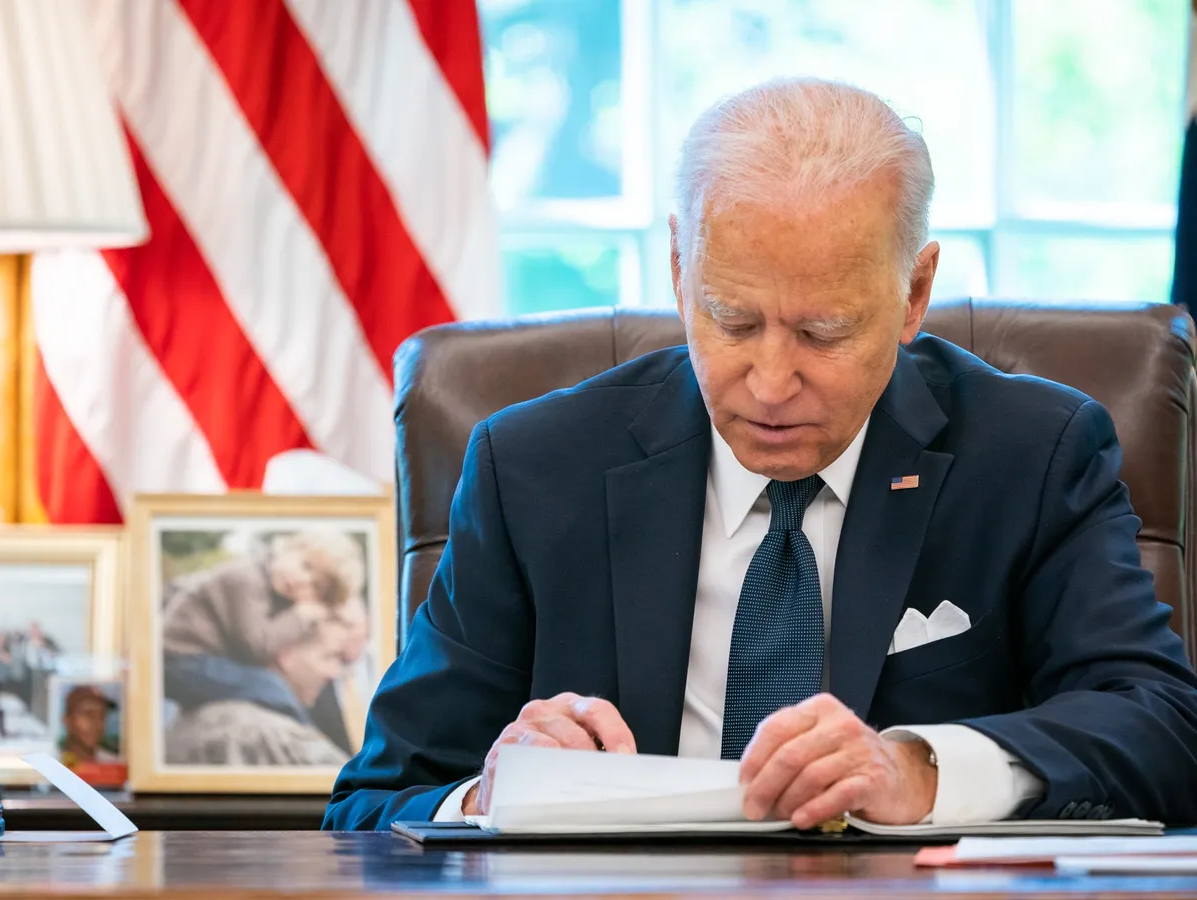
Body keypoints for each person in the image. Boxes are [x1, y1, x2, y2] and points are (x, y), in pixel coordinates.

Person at [324, 78, 1197, 831]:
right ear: (678, 268)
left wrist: (922, 771)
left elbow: (1161, 727)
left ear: (914, 295)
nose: (771, 382)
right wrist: (490, 795)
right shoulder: (533, 469)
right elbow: (373, 801)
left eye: (825, 333)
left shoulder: (1032, 456)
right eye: (733, 321)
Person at [162, 531, 364, 668]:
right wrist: (301, 616)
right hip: (180, 652)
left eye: (315, 586)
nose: (302, 581)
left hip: (204, 656)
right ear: (288, 548)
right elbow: (256, 647)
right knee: (269, 688)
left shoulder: (276, 592)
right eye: (306, 565)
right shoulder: (247, 579)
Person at [165, 617, 351, 767]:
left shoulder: (188, 720)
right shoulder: (273, 735)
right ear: (287, 655)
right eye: (329, 656)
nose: (334, 673)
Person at [59, 685, 119, 765]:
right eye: (89, 714)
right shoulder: (51, 766)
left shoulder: (112, 765)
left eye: (101, 717)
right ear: (67, 720)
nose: (97, 724)